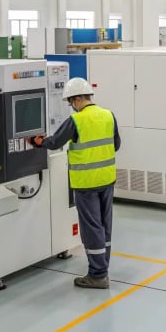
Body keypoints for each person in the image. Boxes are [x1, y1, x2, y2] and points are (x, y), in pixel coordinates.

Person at [28, 77, 120, 289]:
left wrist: (37, 141)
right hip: (107, 180)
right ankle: (103, 268)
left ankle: (97, 275)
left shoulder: (76, 120)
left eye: (71, 102)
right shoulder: (108, 115)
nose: (72, 106)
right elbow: (116, 145)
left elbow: (54, 142)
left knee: (91, 228)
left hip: (86, 183)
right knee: (105, 226)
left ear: (78, 99)